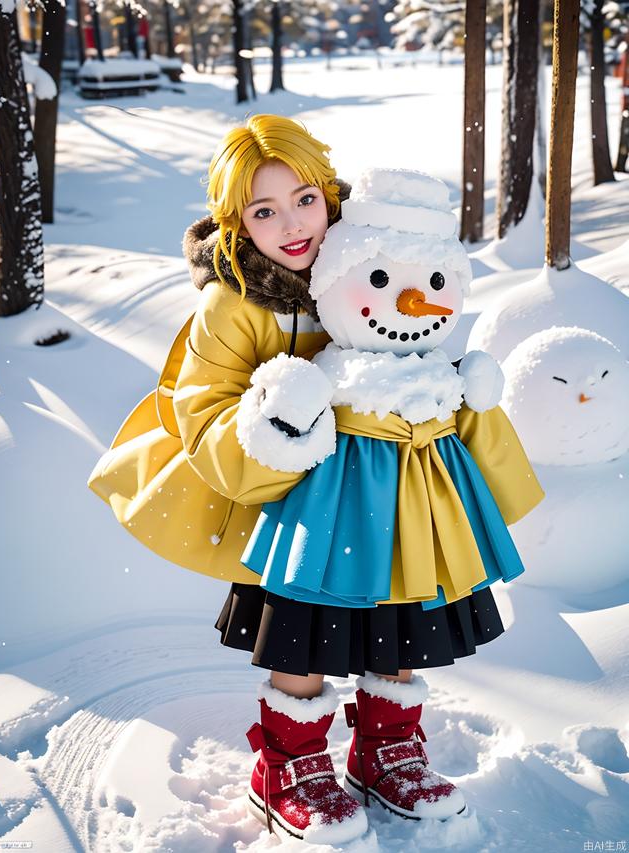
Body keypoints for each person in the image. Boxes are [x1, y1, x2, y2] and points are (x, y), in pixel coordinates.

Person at [88, 115, 538, 845]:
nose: (291, 224)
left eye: (303, 199)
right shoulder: (234, 303)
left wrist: (456, 387)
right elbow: (200, 407)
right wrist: (275, 427)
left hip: (397, 499)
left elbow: (420, 334)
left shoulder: (365, 254)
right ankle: (289, 764)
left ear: (328, 193)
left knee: (400, 621)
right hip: (304, 511)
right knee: (307, 633)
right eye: (263, 212)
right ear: (238, 223)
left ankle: (385, 746)